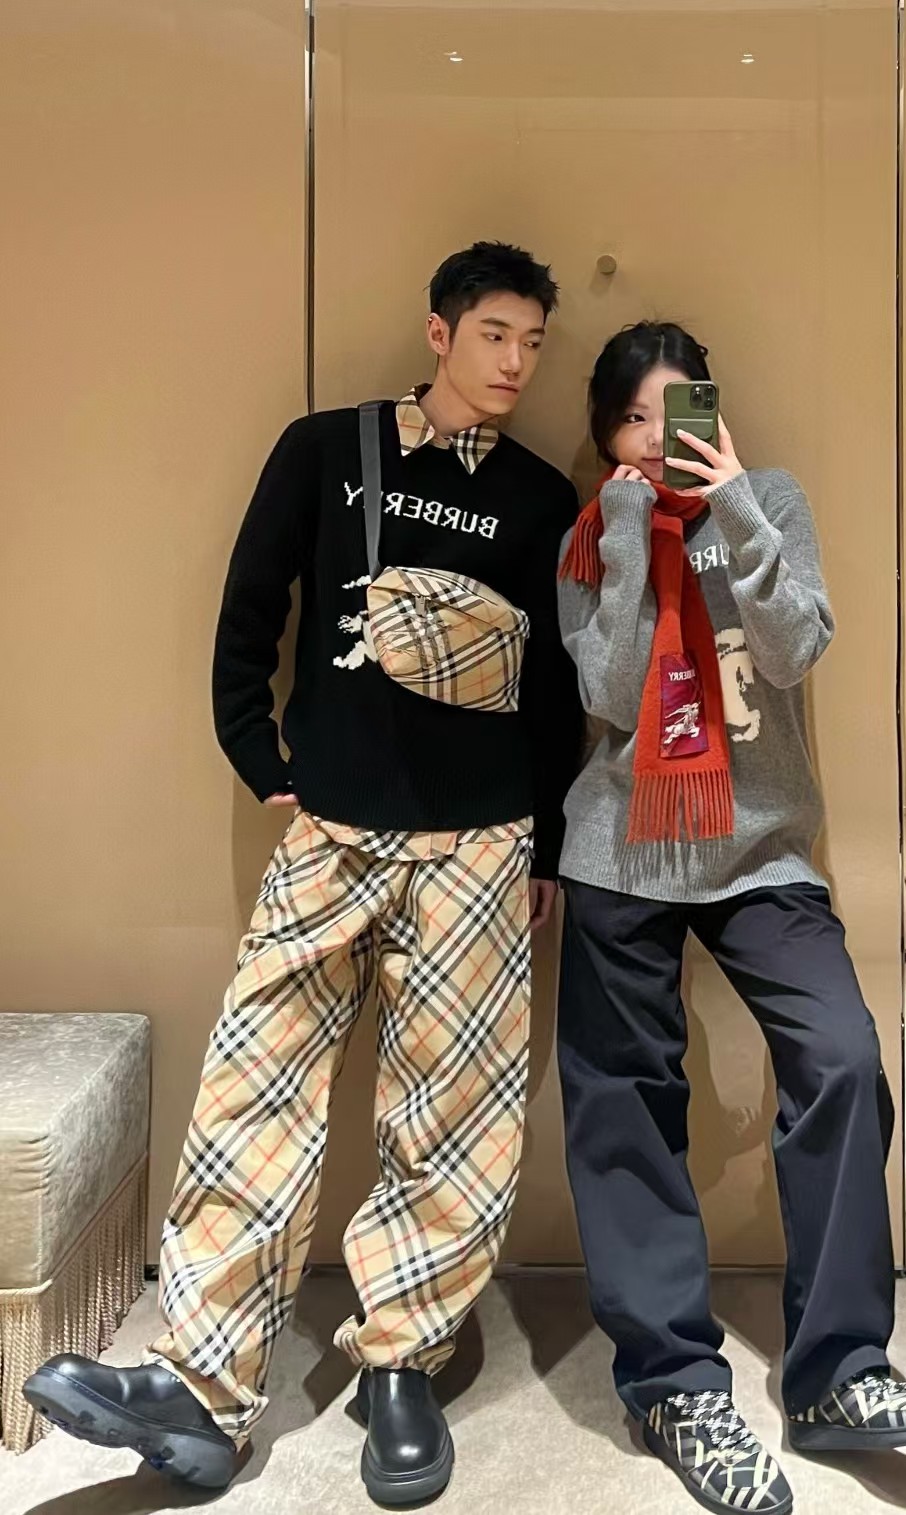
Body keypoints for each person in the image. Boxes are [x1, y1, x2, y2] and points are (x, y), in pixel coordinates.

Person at [24, 241, 583, 1508]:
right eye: (494, 335)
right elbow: (250, 608)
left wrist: (544, 840)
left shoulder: (542, 496)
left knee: (455, 1118)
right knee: (254, 1083)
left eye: (533, 343)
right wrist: (253, 748)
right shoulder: (331, 450)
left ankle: (403, 1366)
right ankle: (199, 1387)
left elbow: (553, 691)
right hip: (330, 828)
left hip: (482, 846)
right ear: (439, 333)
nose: (515, 363)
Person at [554, 321, 906, 1514]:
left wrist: (731, 502)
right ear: (607, 435)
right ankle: (674, 1383)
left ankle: (840, 1370)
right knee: (624, 1098)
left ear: (714, 416)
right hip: (622, 848)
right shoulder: (587, 535)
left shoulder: (768, 499)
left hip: (762, 851)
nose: (656, 437)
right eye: (634, 419)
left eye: (678, 412)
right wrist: (625, 527)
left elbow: (795, 650)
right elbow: (609, 694)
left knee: (841, 1061)